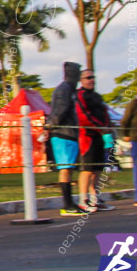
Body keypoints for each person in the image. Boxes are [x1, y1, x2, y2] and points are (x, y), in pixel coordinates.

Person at [74, 70, 114, 212]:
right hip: (87, 137)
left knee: (97, 169)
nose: (91, 80)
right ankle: (83, 199)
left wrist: (107, 126)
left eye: (93, 77)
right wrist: (99, 127)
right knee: (87, 169)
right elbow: (83, 115)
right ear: (82, 80)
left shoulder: (97, 96)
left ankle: (95, 199)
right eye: (88, 77)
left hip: (99, 136)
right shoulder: (79, 95)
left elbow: (105, 112)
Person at [49, 62, 85, 216]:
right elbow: (60, 110)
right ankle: (66, 205)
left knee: (68, 169)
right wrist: (51, 125)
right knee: (65, 169)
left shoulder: (69, 89)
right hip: (63, 133)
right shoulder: (65, 89)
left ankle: (70, 203)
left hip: (68, 133)